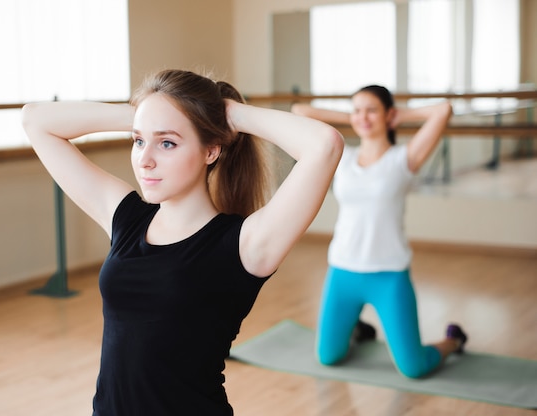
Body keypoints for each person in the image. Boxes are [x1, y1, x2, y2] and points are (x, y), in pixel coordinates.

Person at [21, 69, 343, 415]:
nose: (145, 159)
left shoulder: (245, 244)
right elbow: (36, 120)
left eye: (168, 143)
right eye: (139, 140)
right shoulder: (126, 219)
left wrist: (226, 113)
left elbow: (324, 145)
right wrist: (150, 112)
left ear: (211, 150)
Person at [292, 85, 467, 379]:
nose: (363, 116)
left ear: (389, 115)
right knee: (328, 357)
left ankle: (454, 340)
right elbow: (300, 112)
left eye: (372, 109)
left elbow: (442, 111)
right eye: (357, 109)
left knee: (414, 368)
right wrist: (359, 118)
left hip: (389, 276)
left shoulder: (404, 158)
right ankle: (358, 330)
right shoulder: (342, 156)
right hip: (343, 271)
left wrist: (395, 116)